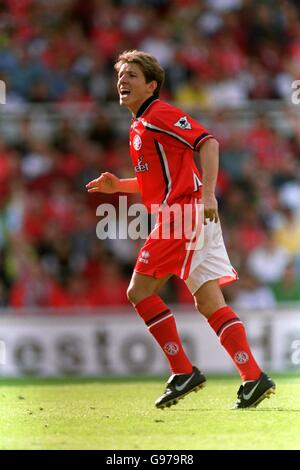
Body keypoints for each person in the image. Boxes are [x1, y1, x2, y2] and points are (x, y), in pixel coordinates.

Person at [86, 50, 275, 409]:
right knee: (208, 302)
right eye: (120, 75)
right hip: (186, 214)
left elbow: (208, 142)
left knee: (139, 291)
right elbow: (154, 182)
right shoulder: (139, 126)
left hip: (184, 215)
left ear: (151, 85)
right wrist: (118, 187)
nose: (122, 81)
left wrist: (208, 196)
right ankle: (253, 378)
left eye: (132, 76)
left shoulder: (158, 113)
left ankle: (183, 370)